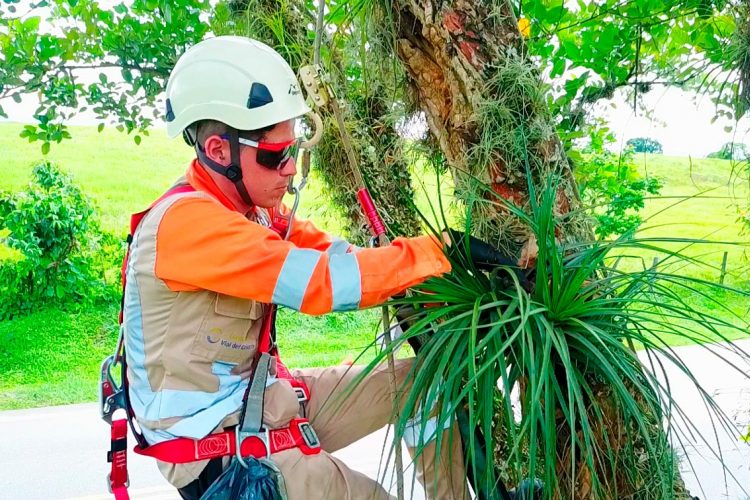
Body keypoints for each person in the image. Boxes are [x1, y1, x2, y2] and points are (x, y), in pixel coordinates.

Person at [124, 35, 494, 500]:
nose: (290, 171)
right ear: (219, 151)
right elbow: (319, 284)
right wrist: (438, 252)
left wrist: (421, 270)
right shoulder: (188, 225)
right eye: (275, 156)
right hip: (218, 452)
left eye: (293, 152)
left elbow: (338, 259)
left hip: (261, 402)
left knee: (424, 380)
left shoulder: (252, 211)